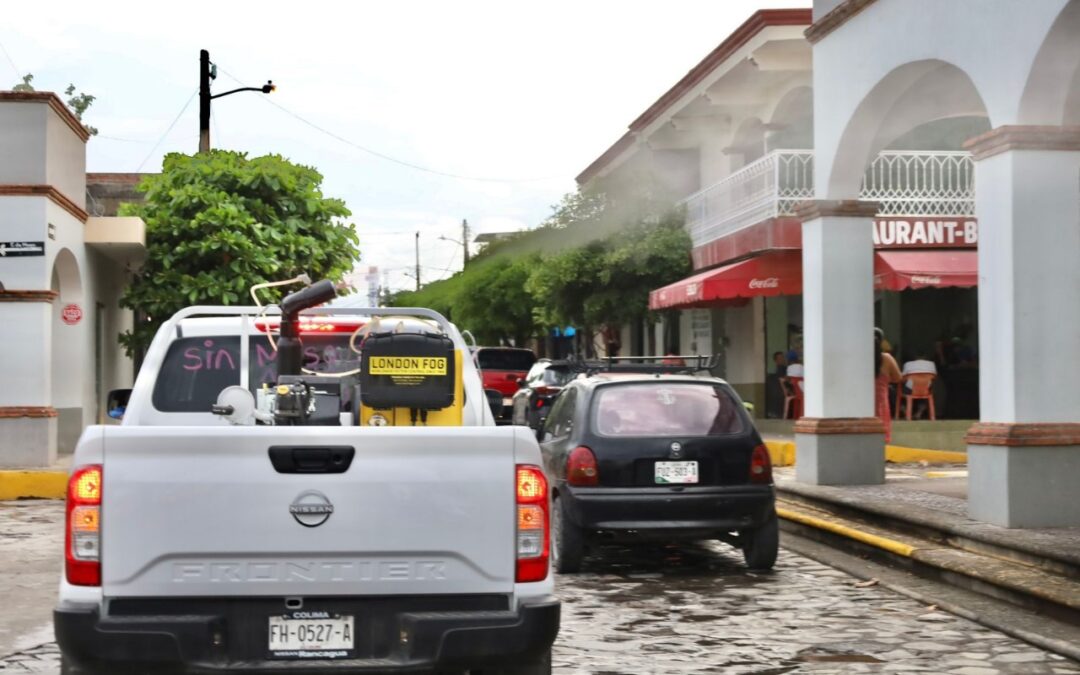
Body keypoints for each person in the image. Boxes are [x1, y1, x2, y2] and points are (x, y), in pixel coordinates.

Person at [875, 328, 902, 442]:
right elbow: (898, 378)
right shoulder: (887, 358)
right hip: (880, 402)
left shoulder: (860, 358)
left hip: (862, 403)